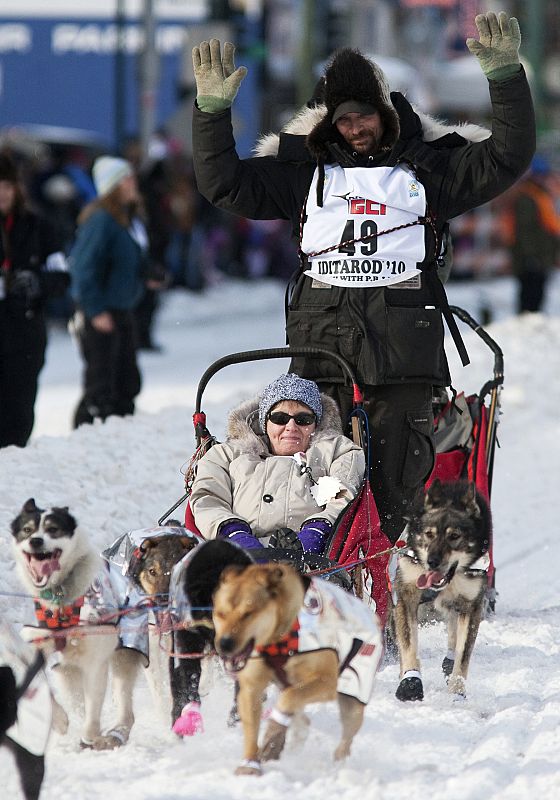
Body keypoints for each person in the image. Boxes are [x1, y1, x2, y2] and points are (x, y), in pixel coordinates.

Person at [190, 12, 535, 543]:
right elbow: (224, 185)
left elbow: (507, 157)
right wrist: (211, 113)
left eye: (364, 117)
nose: (355, 129)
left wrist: (507, 81)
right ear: (328, 123)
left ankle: (383, 574)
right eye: (344, 120)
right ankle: (321, 571)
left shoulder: (429, 168)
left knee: (395, 482)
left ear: (385, 114)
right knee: (317, 477)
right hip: (321, 353)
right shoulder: (303, 173)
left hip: (403, 357)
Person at [189, 373, 365, 554]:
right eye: (280, 418)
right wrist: (233, 533)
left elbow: (346, 497)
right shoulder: (227, 455)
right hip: (238, 558)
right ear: (265, 423)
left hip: (317, 556)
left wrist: (317, 531)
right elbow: (208, 498)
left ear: (315, 424)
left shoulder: (337, 451)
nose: (291, 427)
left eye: (303, 420)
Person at [69, 156, 147, 428]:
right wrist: (95, 310)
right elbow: (82, 267)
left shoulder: (127, 219)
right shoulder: (101, 220)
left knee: (126, 381)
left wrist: (148, 275)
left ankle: (117, 431)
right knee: (101, 384)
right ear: (113, 186)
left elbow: (124, 262)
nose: (132, 182)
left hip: (122, 309)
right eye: (126, 178)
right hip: (102, 313)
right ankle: (88, 434)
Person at [0, 153, 70, 448]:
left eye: (6, 186)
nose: (1, 194)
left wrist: (35, 283)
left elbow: (62, 277)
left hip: (24, 336)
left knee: (18, 416)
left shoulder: (39, 226)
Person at [508, 155, 560, 313]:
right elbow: (525, 230)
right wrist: (531, 257)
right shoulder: (527, 198)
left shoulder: (539, 196)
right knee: (530, 297)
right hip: (531, 259)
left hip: (540, 257)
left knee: (537, 296)